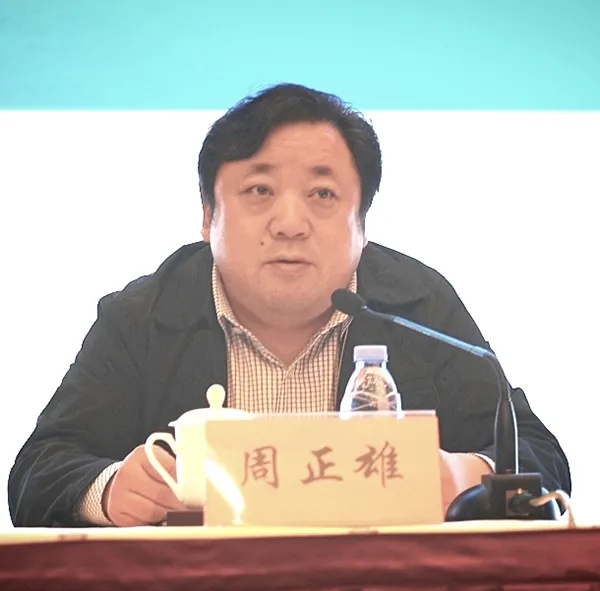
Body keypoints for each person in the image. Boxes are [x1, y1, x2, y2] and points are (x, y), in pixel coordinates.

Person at [8, 83, 570, 528]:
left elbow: (540, 456)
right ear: (207, 217)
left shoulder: (417, 306)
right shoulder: (144, 315)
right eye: (260, 191)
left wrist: (464, 474)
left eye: (323, 194)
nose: (290, 224)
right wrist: (107, 491)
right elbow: (39, 468)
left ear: (362, 224)